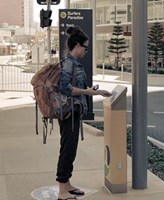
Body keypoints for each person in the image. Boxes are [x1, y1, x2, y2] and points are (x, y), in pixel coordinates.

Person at [56, 26, 112, 200]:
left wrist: (97, 92)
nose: (86, 51)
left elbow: (78, 88)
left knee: (71, 149)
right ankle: (62, 190)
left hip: (74, 112)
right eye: (85, 47)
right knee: (67, 150)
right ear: (78, 46)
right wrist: (88, 92)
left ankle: (67, 184)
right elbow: (64, 88)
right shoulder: (68, 63)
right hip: (69, 113)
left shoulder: (74, 63)